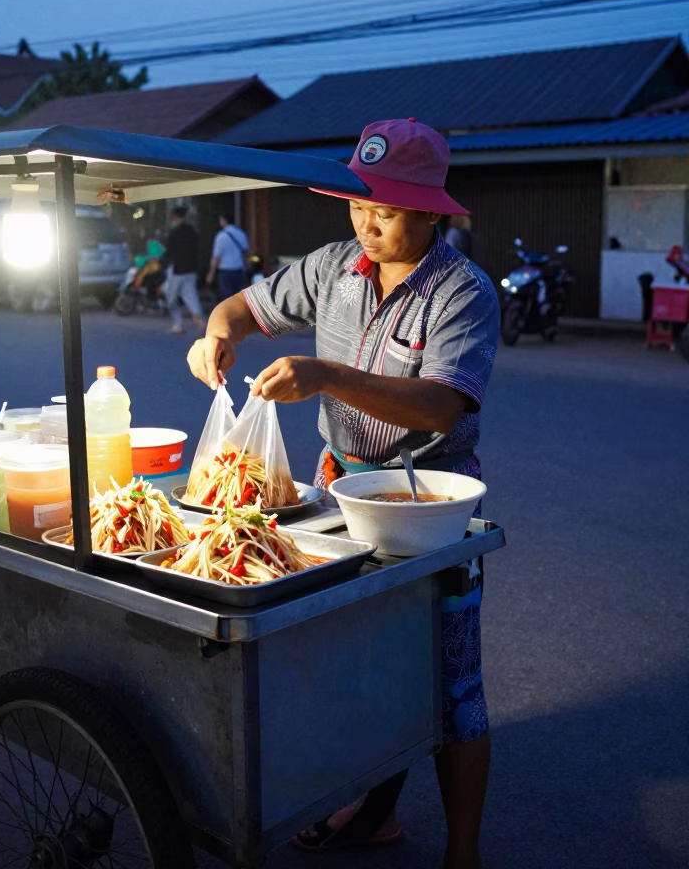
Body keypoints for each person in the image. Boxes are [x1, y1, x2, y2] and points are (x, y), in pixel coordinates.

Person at [187, 118, 499, 869]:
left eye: (385, 211)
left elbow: (439, 406)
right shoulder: (334, 265)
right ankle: (374, 813)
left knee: (449, 680)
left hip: (425, 498)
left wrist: (323, 375)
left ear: (430, 212)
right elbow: (243, 309)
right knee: (356, 658)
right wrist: (216, 333)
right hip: (334, 486)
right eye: (359, 204)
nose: (367, 222)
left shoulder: (463, 292)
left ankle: (464, 852)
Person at [163, 206, 204, 335]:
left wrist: (161, 264)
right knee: (191, 296)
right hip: (191, 269)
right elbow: (198, 250)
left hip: (177, 270)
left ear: (175, 218)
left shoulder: (174, 233)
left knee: (171, 298)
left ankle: (178, 324)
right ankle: (200, 321)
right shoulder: (192, 231)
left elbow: (169, 252)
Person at [207, 211, 249, 301]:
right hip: (239, 269)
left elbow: (216, 257)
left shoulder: (221, 236)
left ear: (224, 221)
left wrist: (211, 273)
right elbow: (245, 252)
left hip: (226, 271)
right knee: (239, 297)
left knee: (227, 298)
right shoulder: (241, 234)